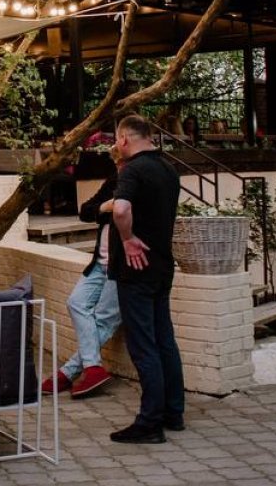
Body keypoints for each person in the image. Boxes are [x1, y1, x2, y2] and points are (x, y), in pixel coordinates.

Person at [109, 114, 184, 445]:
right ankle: (173, 412)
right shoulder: (168, 168)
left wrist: (127, 239)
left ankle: (150, 422)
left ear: (125, 138)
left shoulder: (134, 170)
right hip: (162, 265)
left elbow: (120, 209)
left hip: (136, 268)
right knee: (164, 339)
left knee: (143, 345)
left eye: (117, 139)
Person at [42, 143, 124, 399]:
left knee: (104, 320)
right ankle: (91, 367)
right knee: (76, 302)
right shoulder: (114, 181)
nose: (118, 166)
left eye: (121, 161)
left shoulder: (139, 183)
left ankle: (69, 372)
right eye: (116, 162)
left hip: (121, 267)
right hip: (99, 263)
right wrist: (104, 207)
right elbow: (85, 210)